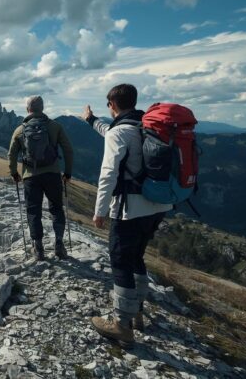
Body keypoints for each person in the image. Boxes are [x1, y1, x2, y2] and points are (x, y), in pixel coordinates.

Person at [82, 84, 171, 348]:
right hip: (158, 205)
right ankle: (139, 312)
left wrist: (99, 210)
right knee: (136, 257)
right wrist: (90, 120)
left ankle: (122, 324)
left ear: (113, 105)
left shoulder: (119, 132)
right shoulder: (146, 127)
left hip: (130, 209)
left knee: (120, 260)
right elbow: (108, 130)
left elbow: (108, 173)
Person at [8, 95, 73, 261]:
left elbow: (12, 154)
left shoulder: (20, 130)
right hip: (52, 174)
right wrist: (68, 172)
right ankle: (59, 244)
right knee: (56, 208)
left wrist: (14, 173)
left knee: (33, 210)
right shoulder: (55, 126)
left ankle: (38, 248)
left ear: (28, 109)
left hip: (31, 177)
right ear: (42, 108)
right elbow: (68, 150)